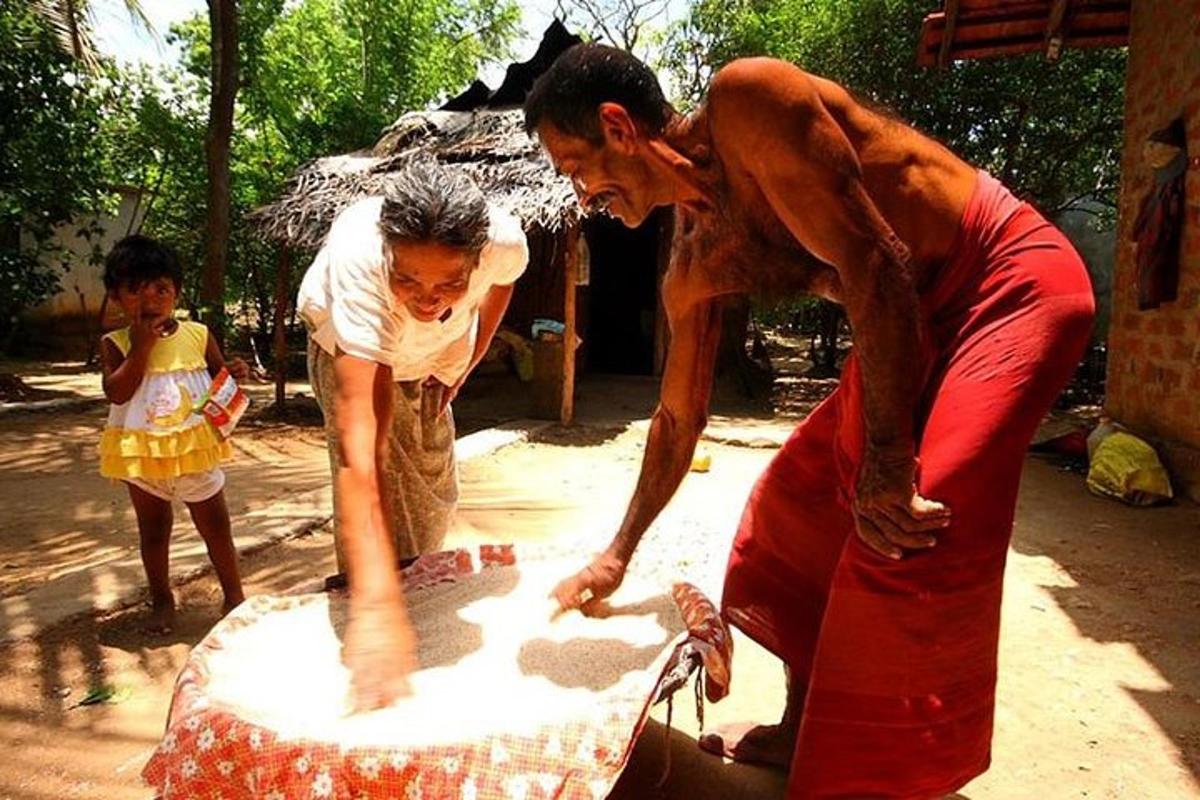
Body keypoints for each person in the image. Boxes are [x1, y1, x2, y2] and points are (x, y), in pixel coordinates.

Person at [525, 45, 1094, 798]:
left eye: (574, 165)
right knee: (794, 504)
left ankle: (871, 780)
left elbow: (879, 262)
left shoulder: (750, 102)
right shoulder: (693, 258)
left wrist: (889, 464)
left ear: (618, 127)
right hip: (910, 316)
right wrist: (618, 553)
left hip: (1010, 284)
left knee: (904, 531)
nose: (579, 191)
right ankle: (802, 730)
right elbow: (676, 421)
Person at [296, 161, 528, 709]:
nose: (428, 298)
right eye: (409, 279)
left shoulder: (503, 244)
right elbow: (361, 452)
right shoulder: (361, 262)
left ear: (476, 258)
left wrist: (468, 361)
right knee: (379, 472)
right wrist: (377, 607)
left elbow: (502, 286)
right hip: (348, 344)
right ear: (387, 257)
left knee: (430, 487)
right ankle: (370, 596)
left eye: (450, 282)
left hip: (432, 358)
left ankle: (408, 592)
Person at [99, 235, 249, 635]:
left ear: (177, 292)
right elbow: (117, 392)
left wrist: (233, 371)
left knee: (216, 526)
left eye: (161, 288)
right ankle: (162, 600)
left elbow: (219, 376)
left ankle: (234, 596)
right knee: (153, 531)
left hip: (193, 451)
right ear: (116, 296)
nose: (150, 299)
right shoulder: (115, 344)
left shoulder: (198, 335)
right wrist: (141, 347)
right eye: (135, 289)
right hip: (142, 456)